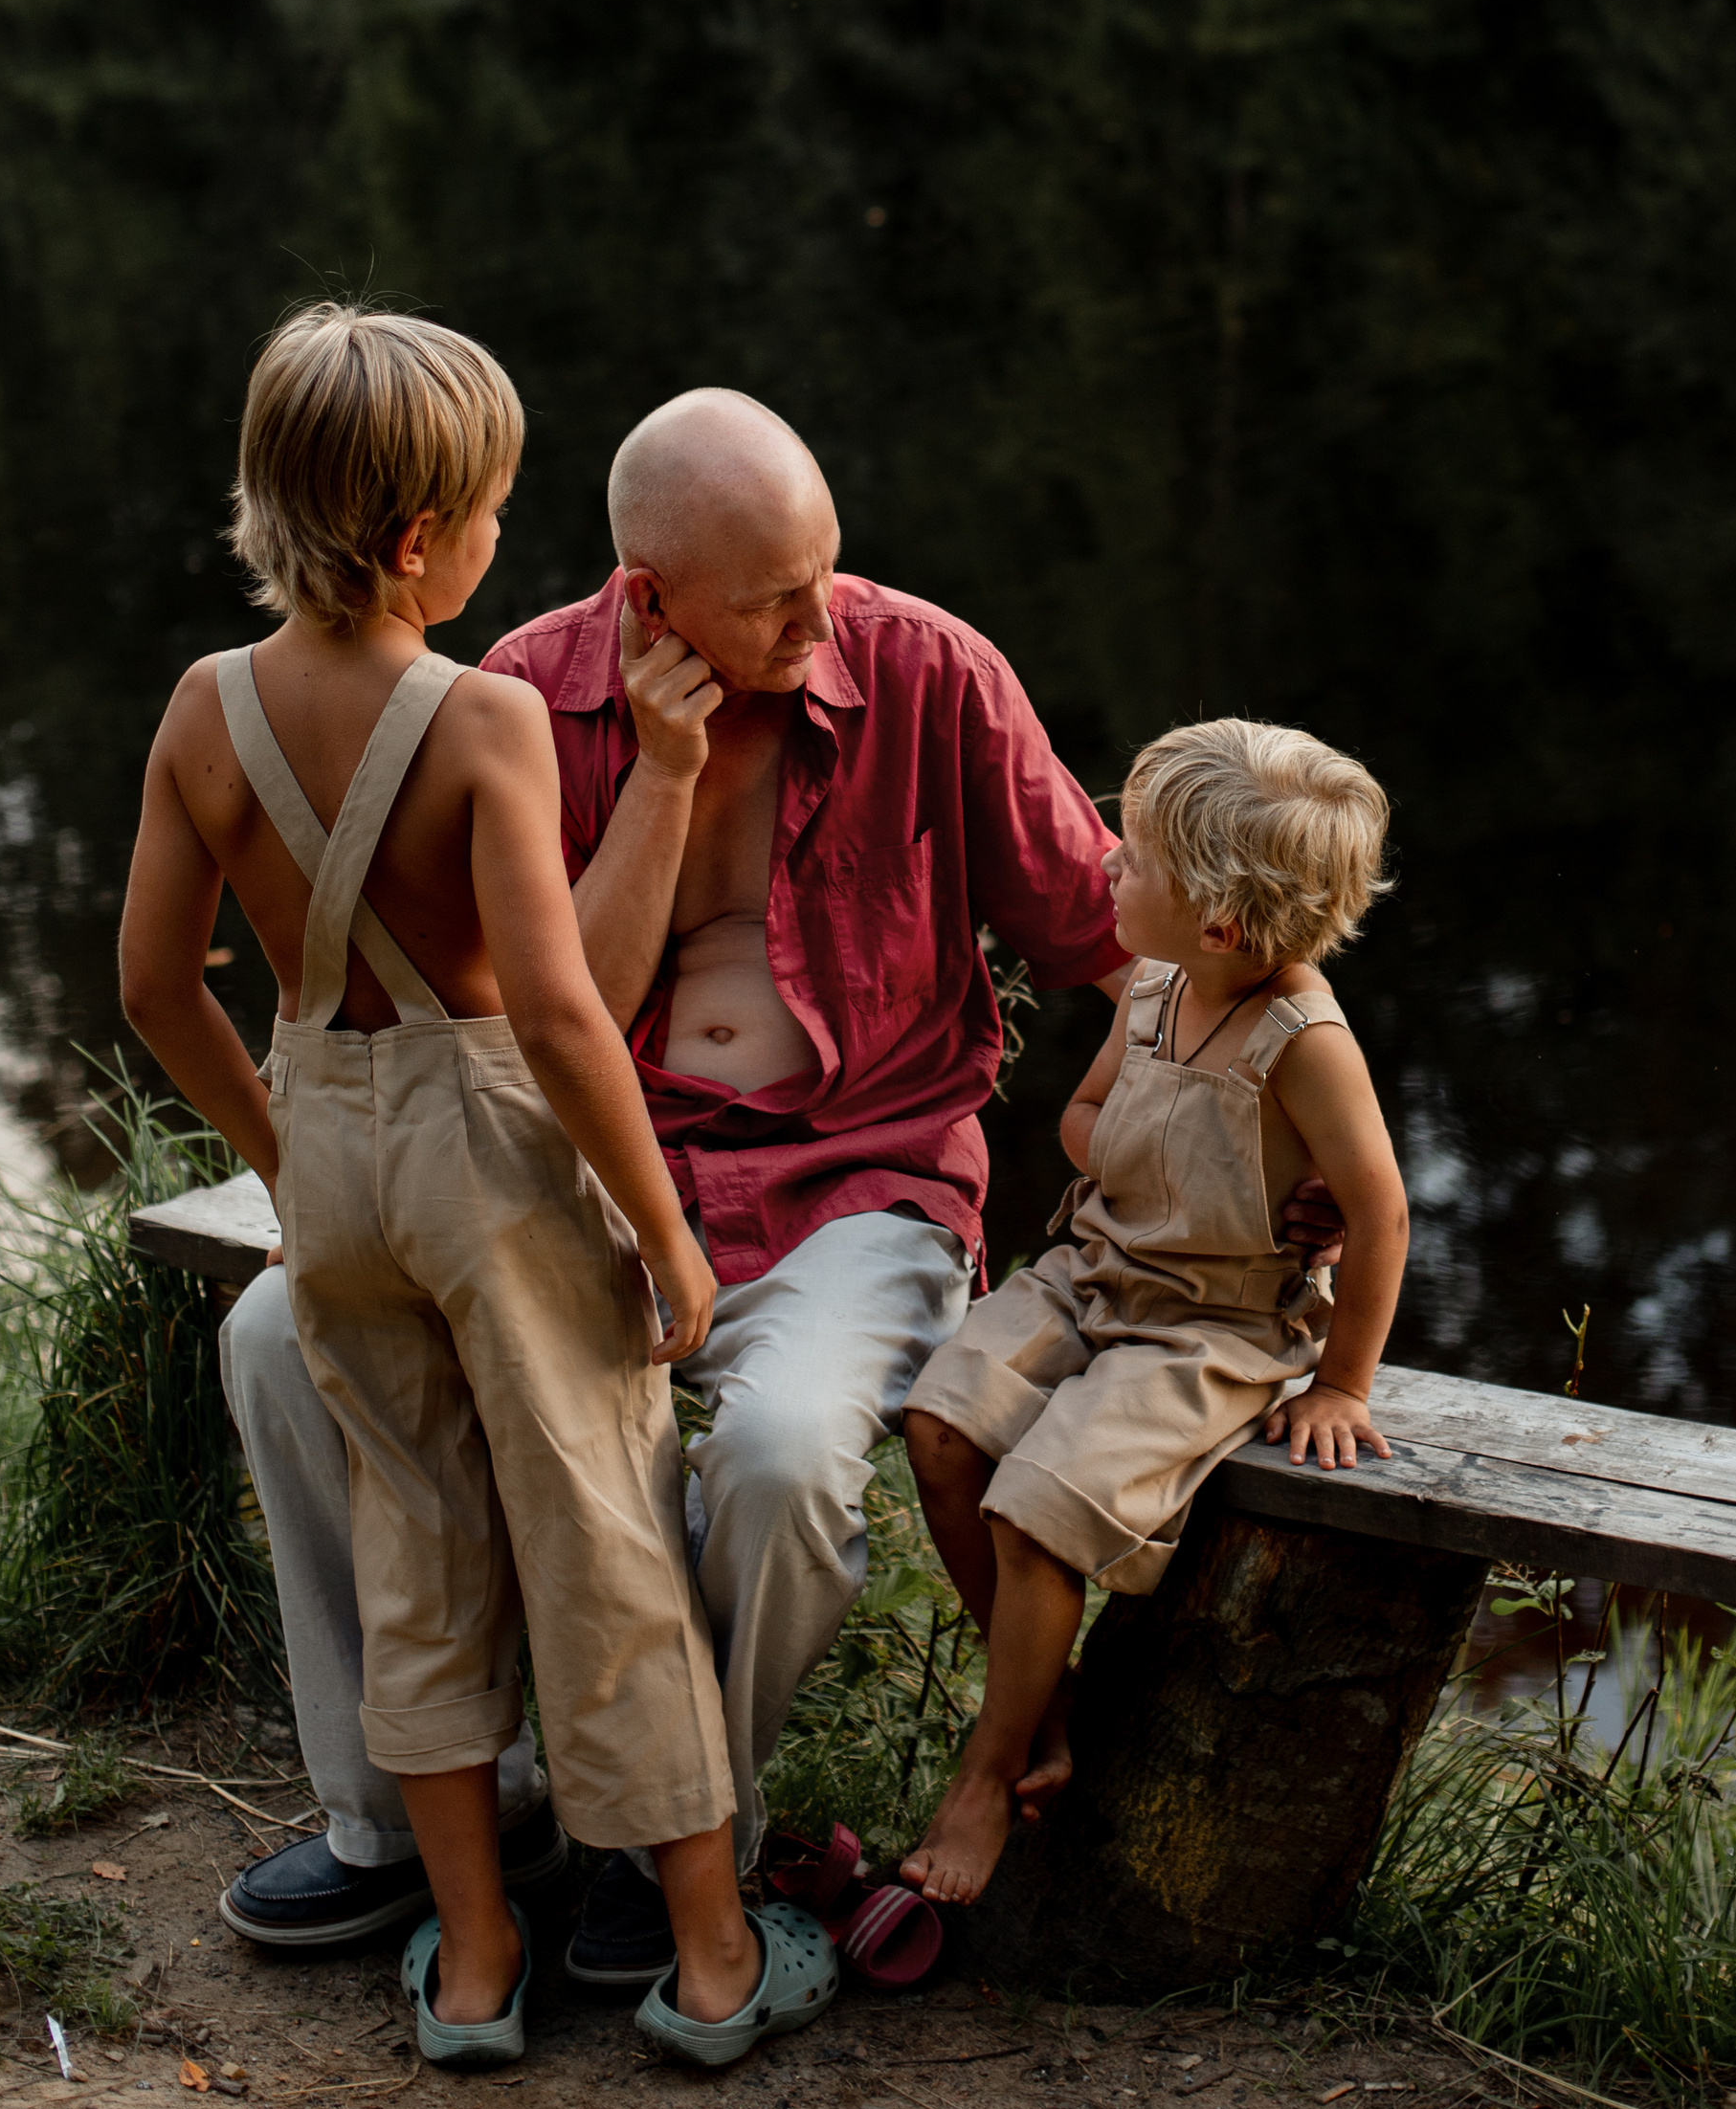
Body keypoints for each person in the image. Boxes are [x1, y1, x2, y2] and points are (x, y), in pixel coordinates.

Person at [214, 383, 1143, 1987]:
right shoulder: (520, 697)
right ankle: (418, 1819)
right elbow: (546, 1006)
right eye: (779, 594)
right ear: (651, 598)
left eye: (827, 567)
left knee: (781, 1459)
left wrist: (1228, 1156)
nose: (821, 613)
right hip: (588, 1177)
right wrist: (657, 770)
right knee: (272, 1336)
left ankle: (659, 1836)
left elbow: (1128, 946)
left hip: (866, 1184)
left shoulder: (931, 669)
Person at [119, 309, 836, 2069]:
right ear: (423, 537)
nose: (509, 543)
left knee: (417, 1549)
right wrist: (664, 1226)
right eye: (499, 510)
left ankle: (469, 1960)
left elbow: (153, 987)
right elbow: (566, 1015)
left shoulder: (206, 710)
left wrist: (290, 1154)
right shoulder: (484, 718)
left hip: (338, 1155)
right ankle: (715, 1949)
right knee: (598, 1538)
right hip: (494, 1165)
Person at [896, 716, 1410, 1906]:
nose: (1105, 870)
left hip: (1214, 1324)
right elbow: (1084, 1121)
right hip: (1093, 1270)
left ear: (1222, 919)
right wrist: (1137, 1146)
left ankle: (988, 1768)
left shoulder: (1304, 1041)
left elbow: (1380, 1217)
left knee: (1036, 1510)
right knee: (939, 1428)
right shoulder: (1153, 987)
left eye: (1130, 859)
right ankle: (1049, 1699)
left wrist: (1340, 1380)